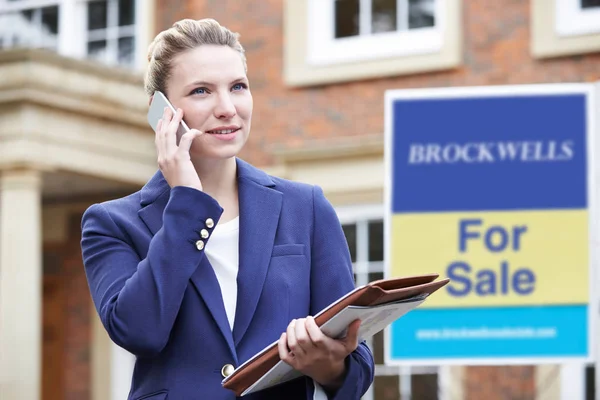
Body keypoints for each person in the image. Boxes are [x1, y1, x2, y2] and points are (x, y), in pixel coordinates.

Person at [80, 18, 375, 400]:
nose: (226, 108)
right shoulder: (111, 223)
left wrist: (326, 364)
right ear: (161, 112)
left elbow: (357, 367)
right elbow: (140, 332)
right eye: (201, 91)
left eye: (238, 87)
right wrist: (186, 202)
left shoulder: (307, 207)